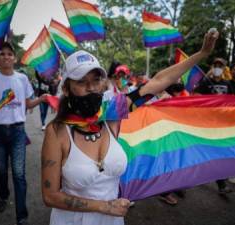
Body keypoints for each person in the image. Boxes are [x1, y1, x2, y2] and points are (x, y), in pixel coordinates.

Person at [41, 30, 219, 225]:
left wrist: (202, 54)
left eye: (96, 80)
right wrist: (104, 206)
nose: (91, 87)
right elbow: (50, 196)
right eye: (82, 82)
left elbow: (158, 82)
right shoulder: (57, 131)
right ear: (66, 88)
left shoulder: (110, 114)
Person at [0, 42, 46, 225]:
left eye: (9, 54)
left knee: (18, 174)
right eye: (2, 54)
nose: (6, 57)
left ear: (14, 58)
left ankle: (21, 217)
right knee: (1, 171)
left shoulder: (22, 79)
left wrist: (42, 98)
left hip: (17, 131)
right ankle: (3, 196)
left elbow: (28, 104)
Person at [193, 57, 233, 195]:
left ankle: (219, 181)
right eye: (215, 65)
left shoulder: (227, 84)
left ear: (224, 69)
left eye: (220, 66)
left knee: (219, 152)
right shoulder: (205, 82)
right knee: (209, 152)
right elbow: (195, 97)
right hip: (207, 124)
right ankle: (215, 180)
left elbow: (233, 101)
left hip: (222, 124)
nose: (217, 68)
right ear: (212, 67)